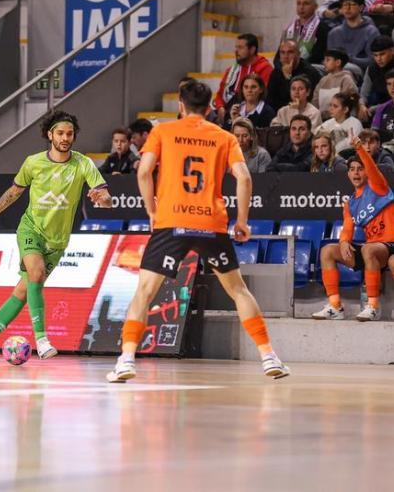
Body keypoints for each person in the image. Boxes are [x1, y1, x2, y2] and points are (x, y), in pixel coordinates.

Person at [106, 81, 289, 383]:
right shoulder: (224, 136)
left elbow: (143, 171)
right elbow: (244, 178)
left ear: (180, 104)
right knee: (238, 290)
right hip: (210, 223)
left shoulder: (163, 132)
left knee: (145, 292)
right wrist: (242, 221)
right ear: (209, 107)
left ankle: (126, 360)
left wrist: (151, 210)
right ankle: (268, 356)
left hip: (171, 221)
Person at [0, 110, 112, 363]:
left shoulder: (83, 164)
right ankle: (42, 341)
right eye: (60, 133)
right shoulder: (33, 163)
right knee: (36, 273)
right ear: (50, 135)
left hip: (58, 241)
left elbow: (105, 197)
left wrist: (103, 199)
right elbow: (13, 193)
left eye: (69, 134)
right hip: (31, 229)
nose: (65, 138)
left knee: (23, 293)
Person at [314, 129, 394, 322]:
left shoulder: (378, 187)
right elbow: (347, 229)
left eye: (360, 169)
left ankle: (372, 307)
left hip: (389, 245)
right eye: (352, 169)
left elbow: (372, 169)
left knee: (368, 249)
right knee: (327, 251)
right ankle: (335, 306)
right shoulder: (350, 203)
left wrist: (358, 147)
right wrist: (343, 242)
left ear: (367, 172)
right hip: (372, 251)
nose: (356, 173)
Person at [213, 33, 273, 126]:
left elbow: (260, 96)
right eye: (236, 47)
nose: (236, 51)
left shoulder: (265, 68)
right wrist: (220, 107)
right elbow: (220, 94)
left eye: (240, 47)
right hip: (226, 111)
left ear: (252, 50)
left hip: (249, 115)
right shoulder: (231, 70)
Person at [326, 0, 379, 78]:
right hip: (334, 70)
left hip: (359, 71)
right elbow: (329, 58)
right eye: (345, 5)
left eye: (352, 4)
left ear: (361, 7)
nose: (347, 8)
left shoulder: (371, 32)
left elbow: (373, 60)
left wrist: (350, 59)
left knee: (345, 69)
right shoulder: (333, 33)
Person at [267, 40, 321, 112]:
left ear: (298, 54)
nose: (286, 56)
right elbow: (270, 100)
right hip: (281, 113)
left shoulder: (310, 72)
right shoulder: (276, 72)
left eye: (290, 52)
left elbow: (307, 100)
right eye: (282, 52)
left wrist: (288, 77)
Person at [280, 0, 330, 65]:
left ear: (315, 7)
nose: (301, 7)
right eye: (298, 3)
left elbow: (317, 57)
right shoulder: (289, 28)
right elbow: (278, 56)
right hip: (287, 67)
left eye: (306, 3)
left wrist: (295, 67)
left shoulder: (323, 29)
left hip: (310, 68)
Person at [312, 49, 357, 120]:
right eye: (324, 60)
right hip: (322, 118)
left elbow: (352, 98)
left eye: (328, 60)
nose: (324, 63)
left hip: (341, 118)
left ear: (338, 62)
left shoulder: (346, 79)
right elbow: (315, 99)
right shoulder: (323, 80)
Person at [360, 36, 394, 110]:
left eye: (382, 54)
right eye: (375, 55)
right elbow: (364, 94)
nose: (378, 59)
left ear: (392, 51)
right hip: (380, 107)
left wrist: (376, 108)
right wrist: (362, 105)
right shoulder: (372, 68)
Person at [372, 70, 394, 142]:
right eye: (389, 84)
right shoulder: (381, 108)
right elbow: (373, 135)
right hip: (384, 147)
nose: (392, 87)